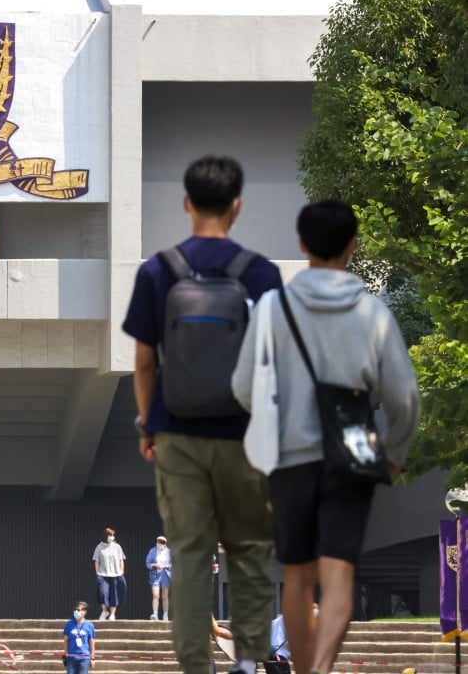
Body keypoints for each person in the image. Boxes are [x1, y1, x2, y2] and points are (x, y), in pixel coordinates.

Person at [231, 200, 420, 674]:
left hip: (289, 459)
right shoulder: (372, 312)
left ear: (301, 244)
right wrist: (394, 452)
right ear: (353, 246)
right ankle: (319, 671)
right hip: (351, 456)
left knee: (297, 575)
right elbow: (404, 398)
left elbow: (240, 386)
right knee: (339, 573)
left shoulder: (273, 307)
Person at [123, 155, 281, 674]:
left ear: (186, 203)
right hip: (243, 434)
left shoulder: (157, 271)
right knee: (250, 549)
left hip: (178, 433)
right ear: (237, 206)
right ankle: (249, 662)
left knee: (190, 555)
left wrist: (149, 425)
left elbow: (145, 364)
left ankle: (197, 666)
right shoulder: (261, 273)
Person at [91, 528, 126, 620]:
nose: (112, 537)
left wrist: (121, 571)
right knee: (103, 593)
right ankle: (104, 611)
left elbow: (121, 559)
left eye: (113, 535)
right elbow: (96, 561)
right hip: (103, 574)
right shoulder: (99, 547)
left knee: (114, 594)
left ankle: (112, 614)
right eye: (110, 535)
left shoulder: (117, 547)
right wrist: (97, 573)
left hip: (116, 574)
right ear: (105, 536)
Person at [62, 601, 96, 674]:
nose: (76, 612)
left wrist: (92, 658)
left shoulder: (89, 625)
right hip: (71, 657)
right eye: (75, 610)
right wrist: (66, 653)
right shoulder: (69, 624)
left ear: (84, 612)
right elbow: (65, 640)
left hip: (84, 658)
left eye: (78, 610)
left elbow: (91, 642)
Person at [145, 535, 172, 620]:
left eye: (162, 542)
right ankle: (155, 614)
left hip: (165, 574)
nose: (160, 543)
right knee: (155, 595)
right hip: (155, 574)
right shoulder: (152, 551)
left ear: (165, 544)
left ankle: (165, 615)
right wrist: (155, 565)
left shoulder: (169, 552)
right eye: (159, 541)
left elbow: (174, 564)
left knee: (165, 596)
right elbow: (148, 563)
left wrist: (166, 566)